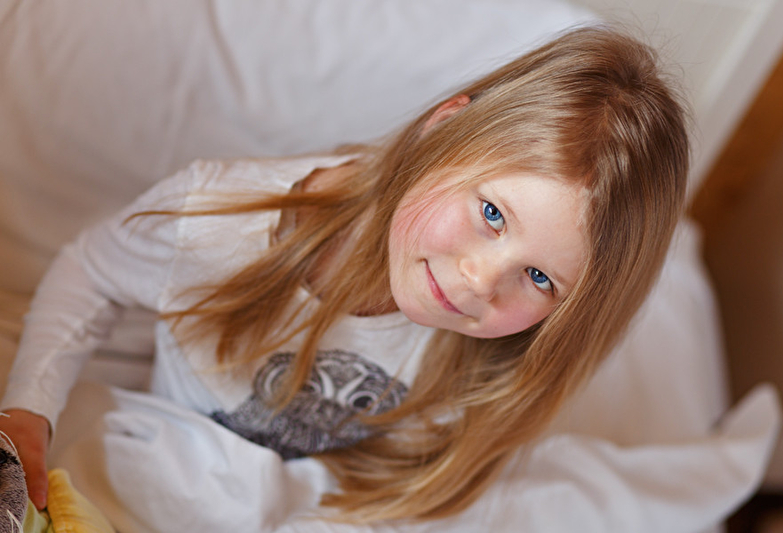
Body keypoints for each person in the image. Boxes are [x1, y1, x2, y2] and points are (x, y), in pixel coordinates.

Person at [0, 26, 688, 523]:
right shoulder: (214, 221)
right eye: (490, 213)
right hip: (161, 456)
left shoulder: (496, 359)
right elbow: (90, 270)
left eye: (539, 277)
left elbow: (410, 486)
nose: (482, 281)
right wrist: (31, 405)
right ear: (442, 130)